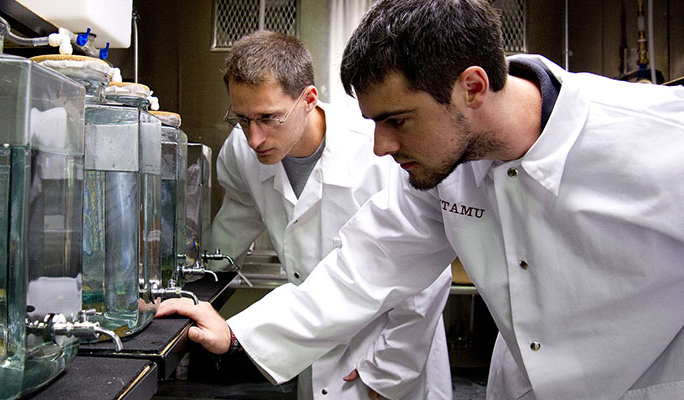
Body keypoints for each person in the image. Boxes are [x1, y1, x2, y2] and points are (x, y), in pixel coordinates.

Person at [158, 0, 684, 398]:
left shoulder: (659, 135)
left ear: (472, 87)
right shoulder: (445, 170)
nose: (381, 147)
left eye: (397, 120)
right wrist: (237, 334)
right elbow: (365, 265)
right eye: (373, 123)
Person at [200, 30, 452, 399]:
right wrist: (191, 290)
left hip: (385, 348)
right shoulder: (243, 152)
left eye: (269, 118)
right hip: (310, 348)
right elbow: (233, 227)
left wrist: (390, 373)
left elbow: (424, 281)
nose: (254, 138)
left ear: (308, 99)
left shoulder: (378, 152)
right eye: (242, 118)